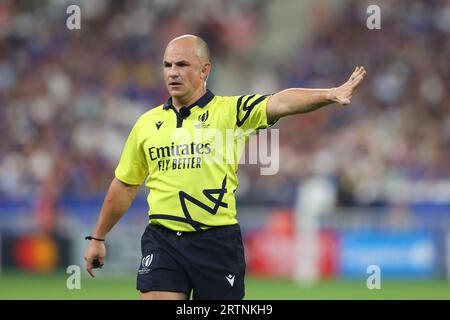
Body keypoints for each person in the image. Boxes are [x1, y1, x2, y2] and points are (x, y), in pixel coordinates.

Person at [84, 34, 366, 300]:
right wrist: (98, 236)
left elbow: (279, 102)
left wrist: (329, 94)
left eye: (182, 65)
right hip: (163, 239)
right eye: (167, 65)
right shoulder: (146, 123)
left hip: (216, 242)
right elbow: (125, 184)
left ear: (205, 70)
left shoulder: (229, 112)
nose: (172, 72)